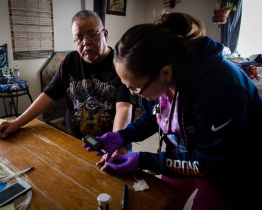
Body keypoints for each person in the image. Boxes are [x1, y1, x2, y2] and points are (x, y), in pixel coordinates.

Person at [84, 12, 262, 209]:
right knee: (164, 202)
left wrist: (144, 159)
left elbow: (208, 164)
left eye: (135, 88)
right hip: (184, 154)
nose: (133, 93)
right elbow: (155, 119)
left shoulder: (222, 89)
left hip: (227, 170)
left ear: (165, 73)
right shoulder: (161, 76)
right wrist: (123, 135)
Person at [0, 10, 137, 148]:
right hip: (76, 144)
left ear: (105, 35)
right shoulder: (71, 61)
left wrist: (116, 142)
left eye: (92, 34)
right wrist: (16, 123)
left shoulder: (119, 63)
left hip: (112, 146)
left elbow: (124, 107)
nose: (86, 42)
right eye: (79, 38)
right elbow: (48, 95)